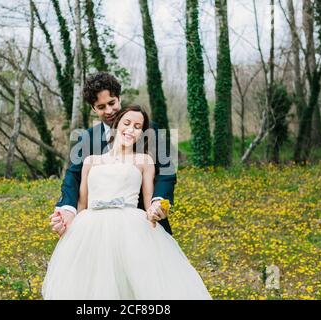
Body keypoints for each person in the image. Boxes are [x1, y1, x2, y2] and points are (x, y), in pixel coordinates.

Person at [41, 105, 212, 299]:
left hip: (130, 226)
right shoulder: (90, 161)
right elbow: (82, 204)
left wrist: (158, 209)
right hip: (91, 228)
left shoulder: (144, 161)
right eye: (127, 123)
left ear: (142, 134)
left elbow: (149, 204)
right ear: (116, 124)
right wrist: (67, 226)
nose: (131, 129)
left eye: (138, 126)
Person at [50, 71, 176, 236]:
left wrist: (158, 202)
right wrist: (67, 209)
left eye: (112, 103)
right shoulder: (87, 137)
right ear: (93, 108)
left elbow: (166, 171)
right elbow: (73, 176)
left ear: (119, 98)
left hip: (141, 223)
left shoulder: (149, 129)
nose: (109, 111)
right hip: (98, 227)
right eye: (101, 107)